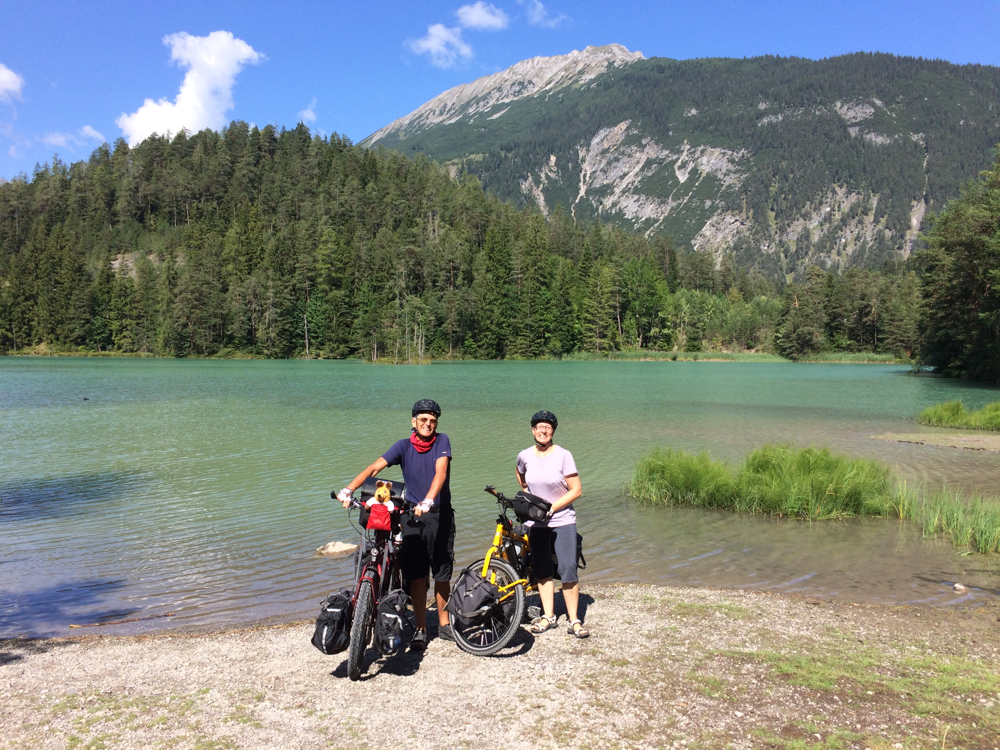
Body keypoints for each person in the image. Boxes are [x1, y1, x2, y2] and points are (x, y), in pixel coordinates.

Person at [338, 399, 455, 650]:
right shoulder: (403, 446)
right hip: (412, 516)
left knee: (442, 572)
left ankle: (444, 624)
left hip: (438, 513)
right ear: (413, 422)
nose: (428, 424)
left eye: (432, 420)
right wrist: (348, 489)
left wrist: (429, 499)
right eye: (423, 419)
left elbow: (441, 472)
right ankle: (422, 629)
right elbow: (373, 468)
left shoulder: (442, 441)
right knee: (417, 575)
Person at [515, 410, 589, 638]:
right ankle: (548, 616)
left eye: (547, 427)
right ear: (533, 430)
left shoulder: (564, 455)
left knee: (567, 569)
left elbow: (576, 490)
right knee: (542, 570)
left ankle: (574, 620)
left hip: (562, 520)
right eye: (539, 426)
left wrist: (552, 507)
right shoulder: (525, 455)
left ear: (553, 431)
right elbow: (521, 477)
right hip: (536, 523)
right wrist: (530, 500)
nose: (543, 430)